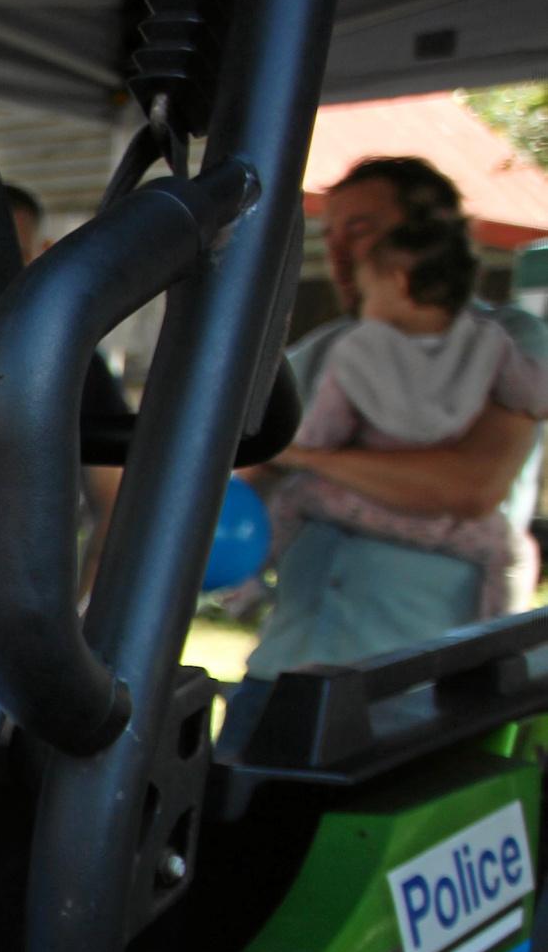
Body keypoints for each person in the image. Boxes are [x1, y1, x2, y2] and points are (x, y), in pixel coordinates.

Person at [232, 157, 548, 717]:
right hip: (282, 674)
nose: (341, 254)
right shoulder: (319, 353)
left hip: (419, 687)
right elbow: (249, 481)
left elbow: (467, 487)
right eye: (331, 236)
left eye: (361, 230)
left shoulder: (510, 339)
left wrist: (306, 458)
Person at [261, 215, 548, 621]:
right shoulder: (491, 344)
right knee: (513, 552)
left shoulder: (357, 352)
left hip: (375, 500)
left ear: (395, 284)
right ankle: (490, 647)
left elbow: (320, 430)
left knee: (294, 497)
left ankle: (246, 589)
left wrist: (301, 455)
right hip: (451, 520)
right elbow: (533, 394)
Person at [8, 182, 128, 583]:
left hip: (25, 595)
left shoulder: (74, 364)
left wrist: (80, 612)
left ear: (40, 255)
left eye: (14, 254)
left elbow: (115, 504)